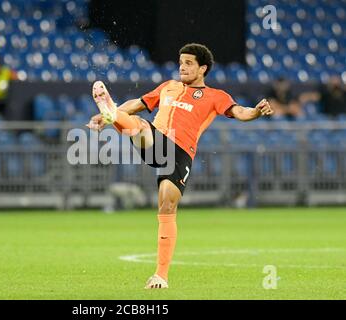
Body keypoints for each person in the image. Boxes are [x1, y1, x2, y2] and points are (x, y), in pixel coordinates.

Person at [87, 43, 274, 289]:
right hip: (157, 140)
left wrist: (256, 112)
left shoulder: (216, 96)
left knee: (167, 204)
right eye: (180, 62)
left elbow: (240, 112)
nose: (182, 67)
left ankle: (160, 276)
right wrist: (108, 114)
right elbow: (138, 102)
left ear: (202, 68)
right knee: (141, 125)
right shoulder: (168, 87)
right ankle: (112, 114)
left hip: (181, 153)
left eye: (188, 63)